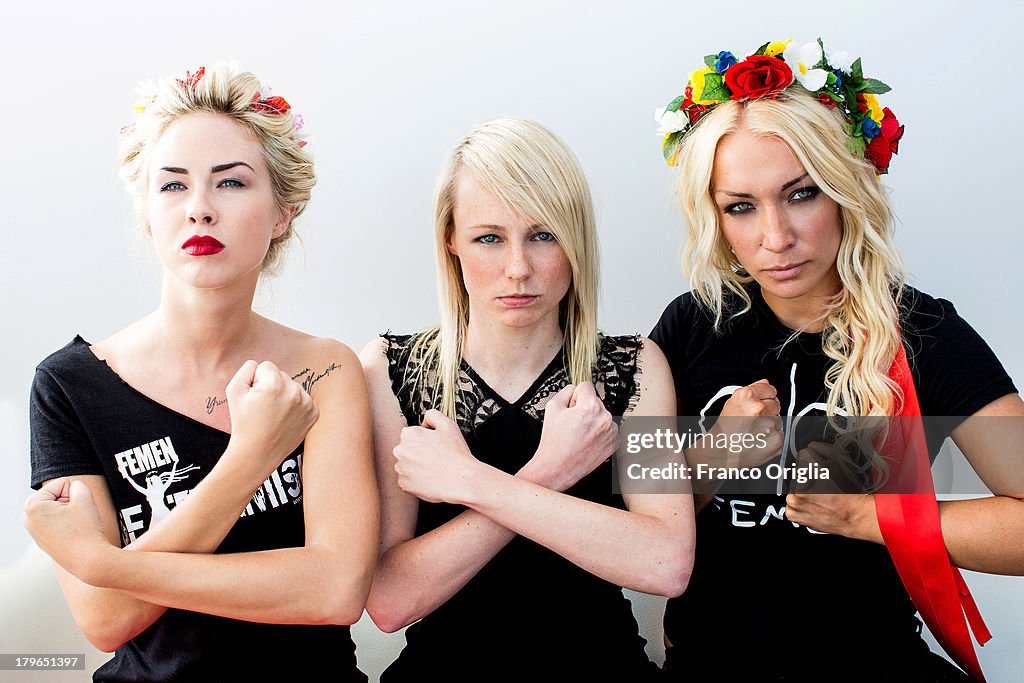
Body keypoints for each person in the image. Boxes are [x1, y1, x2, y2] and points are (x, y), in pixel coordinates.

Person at [650, 38, 1024, 682]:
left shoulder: (923, 331)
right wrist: (713, 457)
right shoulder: (693, 323)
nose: (776, 238)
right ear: (715, 216)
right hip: (710, 670)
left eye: (801, 194)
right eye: (741, 206)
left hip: (872, 666)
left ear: (845, 188)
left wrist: (869, 515)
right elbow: (630, 513)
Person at [23, 63, 378, 682]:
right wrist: (251, 456)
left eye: (231, 183)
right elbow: (107, 622)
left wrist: (107, 564)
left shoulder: (323, 369)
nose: (200, 210)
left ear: (282, 213)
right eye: (172, 186)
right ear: (146, 212)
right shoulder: (68, 386)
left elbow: (334, 591)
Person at [359, 117, 695, 681]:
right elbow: (390, 601)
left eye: (544, 235)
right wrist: (547, 472)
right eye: (489, 238)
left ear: (576, 240)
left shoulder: (635, 366)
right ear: (452, 242)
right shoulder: (390, 369)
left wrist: (474, 483)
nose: (518, 269)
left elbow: (666, 563)